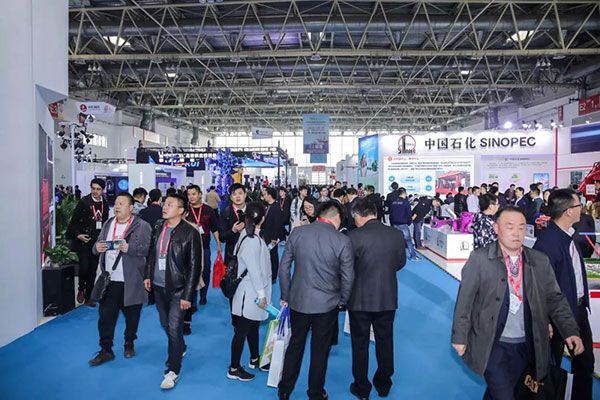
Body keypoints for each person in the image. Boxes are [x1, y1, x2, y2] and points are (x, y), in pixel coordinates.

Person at [451, 206, 583, 400]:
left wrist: (570, 330)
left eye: (521, 227)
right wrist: (459, 336)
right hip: (492, 343)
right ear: (496, 228)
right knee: (504, 393)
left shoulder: (539, 260)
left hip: (528, 343)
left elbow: (555, 298)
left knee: (513, 389)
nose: (516, 233)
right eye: (510, 227)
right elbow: (465, 301)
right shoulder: (480, 259)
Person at [278, 201, 355, 400]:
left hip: (298, 300)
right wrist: (343, 300)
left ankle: (285, 389)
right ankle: (315, 392)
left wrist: (286, 295)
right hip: (327, 304)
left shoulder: (297, 233)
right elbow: (348, 277)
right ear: (337, 217)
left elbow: (284, 268)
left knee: (295, 344)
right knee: (320, 350)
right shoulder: (342, 240)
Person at [533, 189, 595, 399]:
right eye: (578, 205)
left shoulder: (568, 235)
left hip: (578, 310)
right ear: (568, 211)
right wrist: (545, 319)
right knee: (551, 365)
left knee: (585, 362)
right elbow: (539, 285)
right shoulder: (548, 243)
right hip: (557, 315)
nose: (581, 209)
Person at [346, 199, 406, 399]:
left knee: (359, 344)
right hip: (387, 297)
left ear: (359, 215)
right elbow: (400, 262)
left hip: (359, 299)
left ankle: (361, 387)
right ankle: (384, 384)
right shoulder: (396, 235)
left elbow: (347, 267)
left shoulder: (353, 237)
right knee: (385, 341)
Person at [143, 193, 202, 390]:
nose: (165, 207)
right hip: (159, 286)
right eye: (165, 203)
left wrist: (188, 295)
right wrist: (148, 274)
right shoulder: (159, 226)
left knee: (175, 328)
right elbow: (152, 253)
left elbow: (194, 267)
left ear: (181, 210)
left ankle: (172, 370)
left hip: (179, 288)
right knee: (165, 324)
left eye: (170, 204)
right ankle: (180, 347)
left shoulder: (190, 232)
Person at [89, 192, 152, 366]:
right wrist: (97, 247)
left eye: (121, 204)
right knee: (105, 317)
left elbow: (148, 249)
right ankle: (105, 350)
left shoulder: (142, 226)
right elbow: (97, 244)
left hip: (131, 281)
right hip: (109, 280)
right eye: (116, 203)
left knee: (132, 316)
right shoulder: (109, 223)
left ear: (131, 208)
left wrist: (130, 248)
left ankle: (129, 342)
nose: (117, 207)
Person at [228, 202, 272, 382]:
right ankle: (234, 368)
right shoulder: (251, 240)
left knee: (253, 325)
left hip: (251, 290)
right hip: (251, 292)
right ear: (262, 219)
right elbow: (254, 270)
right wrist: (262, 295)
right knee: (242, 331)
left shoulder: (248, 235)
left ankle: (255, 359)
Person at [66, 178, 110, 307]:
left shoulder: (105, 203)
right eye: (93, 188)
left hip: (97, 241)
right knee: (84, 267)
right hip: (84, 240)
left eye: (98, 189)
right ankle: (81, 289)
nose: (95, 191)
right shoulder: (84, 202)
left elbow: (105, 221)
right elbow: (74, 221)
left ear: (102, 190)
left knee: (93, 269)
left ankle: (89, 296)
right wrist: (78, 234)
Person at [186, 185, 221, 306]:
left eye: (194, 194)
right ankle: (193, 300)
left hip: (205, 247)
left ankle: (203, 295)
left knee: (205, 271)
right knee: (192, 273)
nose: (191, 197)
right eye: (189, 195)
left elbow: (214, 229)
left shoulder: (208, 210)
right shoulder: (185, 210)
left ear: (200, 194)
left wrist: (218, 244)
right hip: (189, 248)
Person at [388, 186, 421, 261]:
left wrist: (392, 223)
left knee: (395, 241)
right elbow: (409, 214)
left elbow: (391, 213)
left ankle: (393, 257)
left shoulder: (393, 202)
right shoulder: (405, 203)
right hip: (403, 224)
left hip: (394, 223)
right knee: (408, 241)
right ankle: (413, 256)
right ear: (404, 193)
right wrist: (409, 222)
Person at [219, 183, 247, 264]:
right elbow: (222, 237)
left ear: (245, 195)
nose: (238, 196)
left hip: (250, 254)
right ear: (231, 197)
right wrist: (233, 231)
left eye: (240, 193)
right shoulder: (225, 213)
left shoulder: (252, 211)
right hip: (231, 255)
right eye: (234, 194)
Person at [263, 187, 286, 283]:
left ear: (270, 195)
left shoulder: (276, 207)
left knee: (273, 256)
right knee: (266, 256)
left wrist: (274, 237)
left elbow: (277, 224)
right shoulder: (267, 206)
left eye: (265, 194)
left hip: (272, 236)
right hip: (265, 234)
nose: (264, 196)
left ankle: (274, 276)